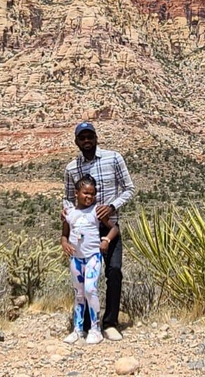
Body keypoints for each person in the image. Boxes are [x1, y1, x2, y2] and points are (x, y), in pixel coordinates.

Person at [62, 122, 135, 341]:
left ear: (96, 138)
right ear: (76, 142)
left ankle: (110, 323)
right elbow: (67, 197)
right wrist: (67, 219)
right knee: (83, 277)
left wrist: (112, 206)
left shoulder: (114, 158)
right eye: (82, 138)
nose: (86, 141)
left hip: (109, 224)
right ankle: (84, 324)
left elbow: (129, 188)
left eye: (90, 137)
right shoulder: (71, 169)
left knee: (114, 271)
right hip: (83, 228)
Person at [61, 175, 119, 344]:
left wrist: (106, 240)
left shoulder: (96, 211)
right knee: (78, 294)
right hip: (76, 259)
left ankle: (95, 328)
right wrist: (64, 243)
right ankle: (78, 330)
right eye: (86, 193)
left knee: (90, 289)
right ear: (76, 193)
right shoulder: (69, 213)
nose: (89, 197)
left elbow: (114, 228)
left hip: (93, 256)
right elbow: (64, 234)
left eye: (92, 194)